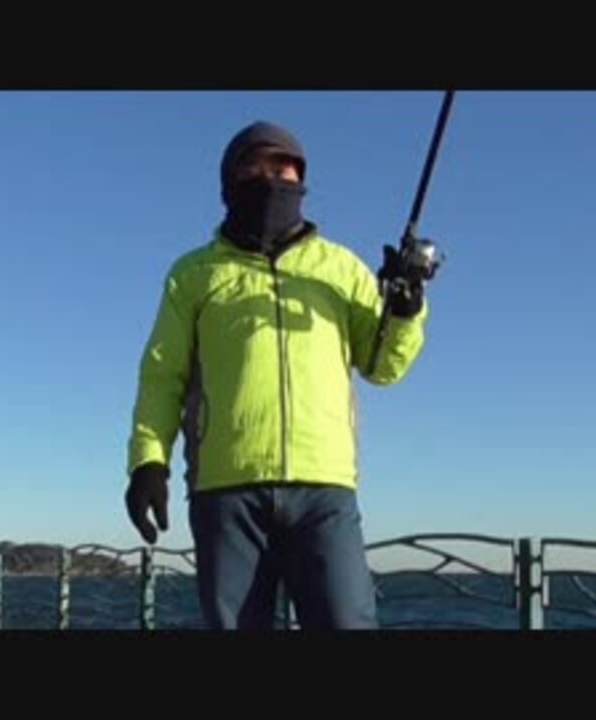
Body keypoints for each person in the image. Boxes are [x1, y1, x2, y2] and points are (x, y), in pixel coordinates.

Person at [124, 120, 432, 630]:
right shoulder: (193, 274)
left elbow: (382, 366)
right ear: (228, 186)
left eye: (282, 168)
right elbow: (162, 376)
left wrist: (404, 312)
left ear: (300, 180)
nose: (270, 179)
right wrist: (147, 463)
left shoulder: (342, 268)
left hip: (325, 488)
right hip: (225, 490)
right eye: (253, 169)